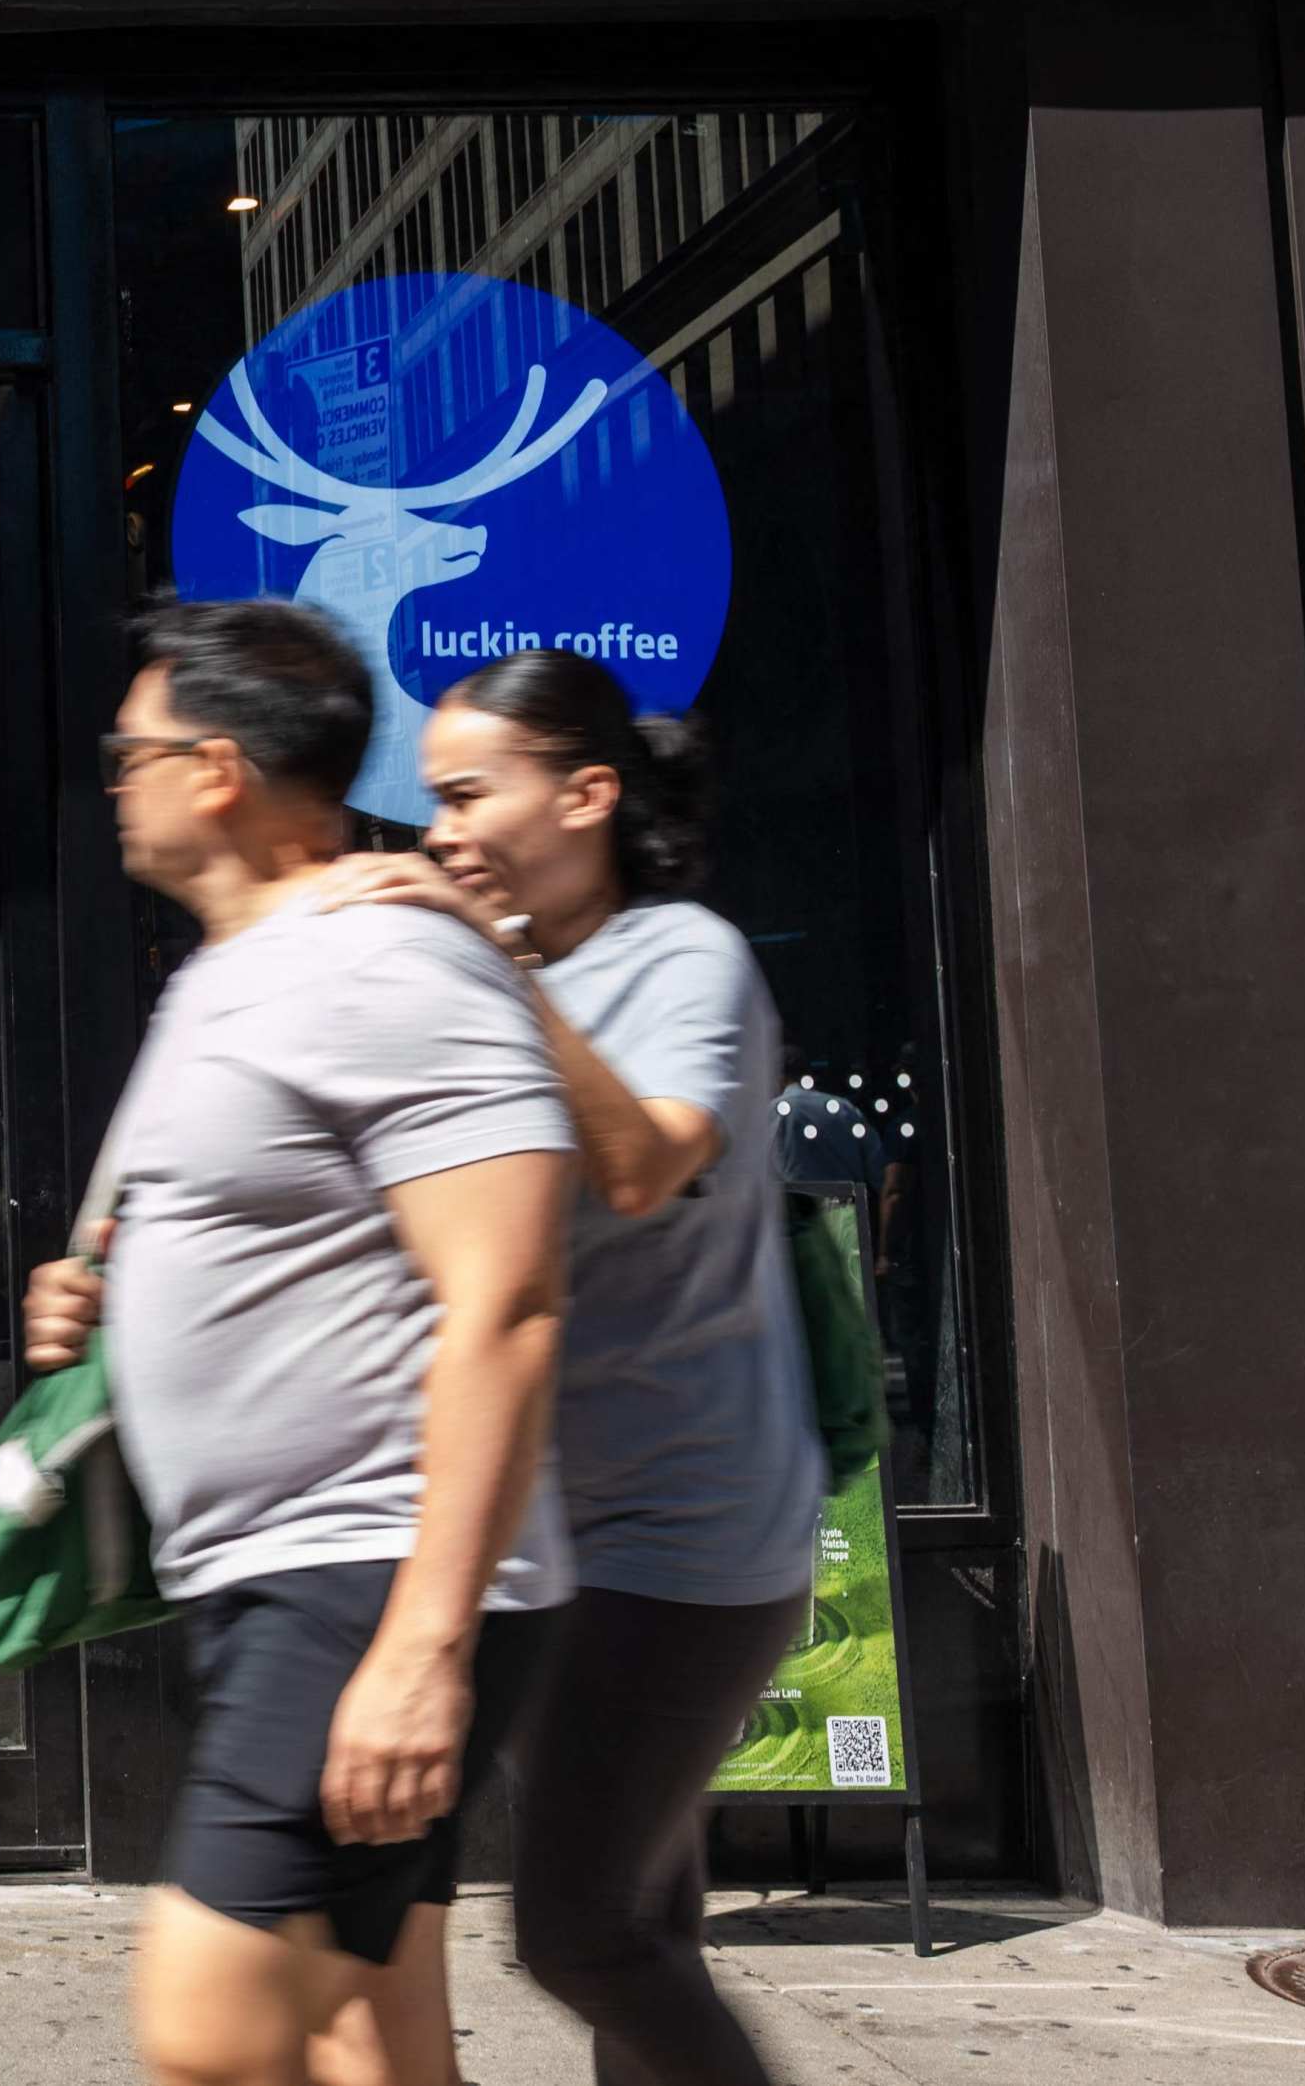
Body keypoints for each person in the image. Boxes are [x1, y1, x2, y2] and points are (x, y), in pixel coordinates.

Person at [21, 600, 574, 2086]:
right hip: (286, 1571)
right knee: (368, 2040)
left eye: (126, 750)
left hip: (365, 1574)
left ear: (213, 767)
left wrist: (421, 1648)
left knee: (209, 2032)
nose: (112, 777)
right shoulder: (233, 970)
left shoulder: (383, 959)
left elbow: (510, 1299)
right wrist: (100, 1292)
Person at [320, 651, 821, 2086]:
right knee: (641, 1916)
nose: (441, 830)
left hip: (687, 1532)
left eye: (472, 792)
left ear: (588, 792)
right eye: (433, 801)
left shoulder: (682, 958)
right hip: (546, 1536)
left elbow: (647, 1161)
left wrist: (497, 974)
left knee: (579, 1928)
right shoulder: (508, 968)